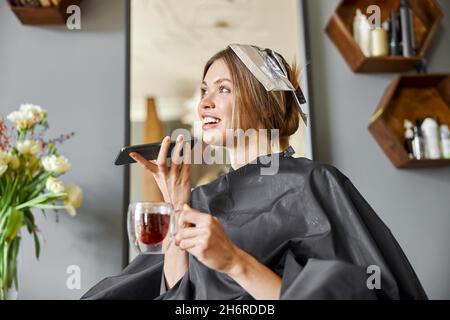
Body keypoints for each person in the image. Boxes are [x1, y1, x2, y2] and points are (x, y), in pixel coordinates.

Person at [81, 44, 427, 300]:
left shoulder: (314, 184)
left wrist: (235, 262)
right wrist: (178, 208)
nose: (204, 102)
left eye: (223, 88)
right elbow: (179, 298)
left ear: (266, 101)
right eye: (203, 91)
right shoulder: (199, 198)